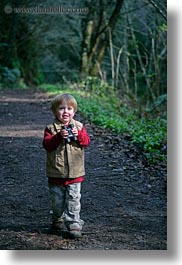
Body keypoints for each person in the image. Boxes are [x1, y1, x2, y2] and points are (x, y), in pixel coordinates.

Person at [43, 93, 90, 238]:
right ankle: (57, 218)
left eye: (69, 109)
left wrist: (79, 135)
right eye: (61, 108)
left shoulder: (79, 126)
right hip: (56, 173)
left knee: (74, 199)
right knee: (57, 202)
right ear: (54, 111)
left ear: (74, 112)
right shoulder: (51, 128)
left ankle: (74, 223)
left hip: (75, 173)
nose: (65, 112)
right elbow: (47, 145)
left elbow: (86, 142)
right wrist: (58, 137)